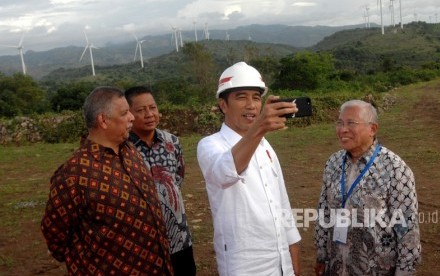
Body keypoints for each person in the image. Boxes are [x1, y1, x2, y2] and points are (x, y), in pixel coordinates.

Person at [41, 86, 173, 275]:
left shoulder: (130, 152)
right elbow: (55, 233)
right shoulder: (74, 174)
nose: (132, 118)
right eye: (125, 113)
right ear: (103, 120)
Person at [197, 61, 302, 276]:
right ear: (223, 105)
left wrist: (293, 259)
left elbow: (281, 203)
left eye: (256, 97)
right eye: (241, 97)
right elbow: (224, 172)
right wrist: (259, 128)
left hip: (281, 261)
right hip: (244, 265)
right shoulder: (210, 145)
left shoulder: (265, 145)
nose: (251, 105)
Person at [314, 100, 421, 275]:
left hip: (375, 269)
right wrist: (321, 255)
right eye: (340, 123)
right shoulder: (333, 163)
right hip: (336, 265)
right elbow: (324, 211)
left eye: (351, 123)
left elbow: (407, 228)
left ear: (372, 129)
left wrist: (405, 271)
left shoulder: (395, 168)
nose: (343, 129)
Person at [124, 86, 196, 276]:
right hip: (141, 240)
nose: (149, 114)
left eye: (153, 108)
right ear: (128, 114)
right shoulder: (121, 149)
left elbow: (178, 177)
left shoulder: (172, 142)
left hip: (178, 236)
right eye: (141, 110)